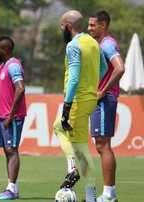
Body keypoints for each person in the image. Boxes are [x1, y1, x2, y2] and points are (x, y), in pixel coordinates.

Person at [53, 10, 107, 202]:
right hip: (89, 99)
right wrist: (91, 86)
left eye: (61, 25)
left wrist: (67, 106)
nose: (60, 28)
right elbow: (104, 68)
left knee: (81, 150)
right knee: (58, 127)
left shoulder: (73, 46)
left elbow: (74, 77)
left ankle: (82, 184)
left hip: (77, 102)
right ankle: (73, 168)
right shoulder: (92, 42)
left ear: (68, 26)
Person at [88, 10, 125, 202]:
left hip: (104, 100)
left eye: (93, 25)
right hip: (101, 100)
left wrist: (102, 91)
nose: (89, 28)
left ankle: (109, 194)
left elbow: (120, 68)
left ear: (103, 25)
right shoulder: (101, 44)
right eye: (88, 25)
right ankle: (109, 193)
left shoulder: (108, 44)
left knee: (103, 146)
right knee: (101, 146)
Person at [0, 36, 27, 200]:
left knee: (12, 150)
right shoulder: (3, 66)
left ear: (5, 50)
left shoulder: (13, 66)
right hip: (3, 116)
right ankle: (12, 188)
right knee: (8, 151)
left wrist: (11, 115)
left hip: (12, 117)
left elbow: (20, 89)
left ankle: (11, 189)